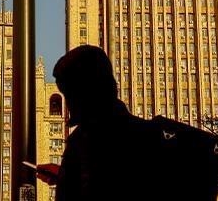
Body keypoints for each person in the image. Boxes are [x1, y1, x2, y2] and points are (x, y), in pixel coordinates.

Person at [34, 45, 159, 201]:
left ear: (86, 92)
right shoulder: (150, 135)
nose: (69, 104)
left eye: (70, 93)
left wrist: (70, 178)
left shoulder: (83, 142)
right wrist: (66, 176)